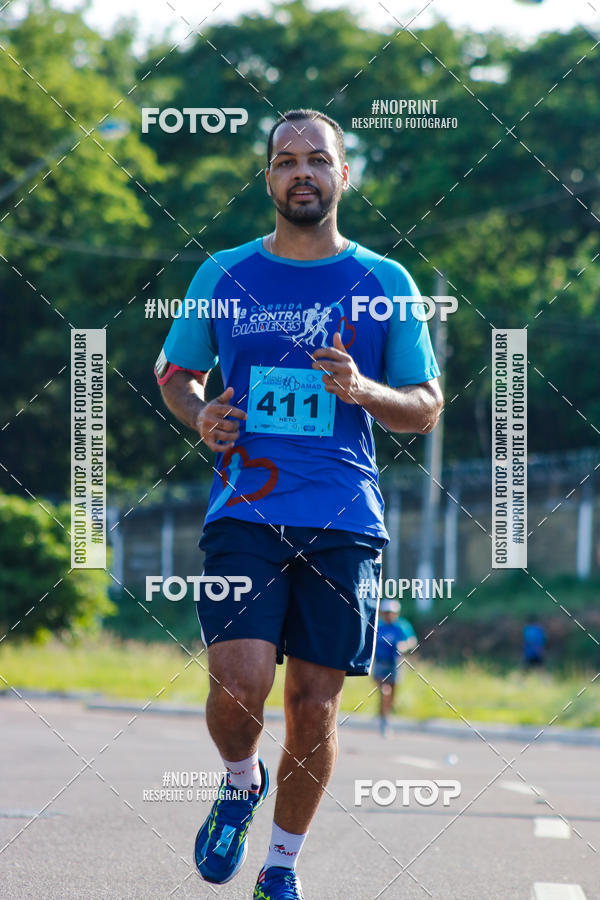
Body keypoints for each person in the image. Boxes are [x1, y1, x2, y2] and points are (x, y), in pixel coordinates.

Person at [155, 108, 443, 900]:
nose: (302, 171)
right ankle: (239, 779)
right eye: (287, 160)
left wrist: (362, 389)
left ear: (344, 176)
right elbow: (175, 374)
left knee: (314, 709)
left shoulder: (386, 283)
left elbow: (425, 404)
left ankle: (279, 865)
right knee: (235, 684)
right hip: (245, 509)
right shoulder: (223, 274)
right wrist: (199, 412)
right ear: (269, 178)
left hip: (345, 517)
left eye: (319, 159)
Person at [372, 599, 417, 736]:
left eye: (391, 613)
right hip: (380, 663)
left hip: (395, 663)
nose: (388, 615)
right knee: (385, 690)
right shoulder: (378, 626)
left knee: (392, 693)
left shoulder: (401, 626)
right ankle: (384, 719)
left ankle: (385, 713)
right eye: (386, 613)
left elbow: (412, 641)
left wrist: (404, 645)